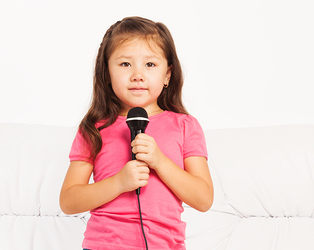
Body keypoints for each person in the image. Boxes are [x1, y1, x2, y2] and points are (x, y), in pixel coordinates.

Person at [59, 16, 213, 250]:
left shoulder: (185, 125)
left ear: (168, 75)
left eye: (150, 64)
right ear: (107, 73)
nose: (137, 75)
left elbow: (203, 199)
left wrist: (160, 162)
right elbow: (69, 201)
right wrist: (119, 183)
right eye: (125, 64)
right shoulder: (94, 128)